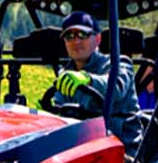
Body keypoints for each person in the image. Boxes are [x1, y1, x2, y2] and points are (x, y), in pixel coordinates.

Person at [51, 11, 142, 152]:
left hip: (122, 146)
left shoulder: (119, 63)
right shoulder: (65, 74)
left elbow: (116, 87)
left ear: (98, 39)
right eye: (69, 36)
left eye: (82, 35)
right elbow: (59, 106)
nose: (76, 41)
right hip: (80, 145)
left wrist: (88, 79)